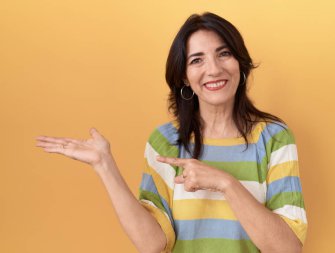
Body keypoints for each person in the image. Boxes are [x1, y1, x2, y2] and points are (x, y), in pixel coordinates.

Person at [35, 12, 307, 253]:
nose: (214, 69)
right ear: (184, 77)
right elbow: (153, 244)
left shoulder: (274, 138)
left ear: (240, 63)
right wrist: (104, 165)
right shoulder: (166, 141)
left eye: (224, 53)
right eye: (197, 60)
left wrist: (226, 184)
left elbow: (287, 248)